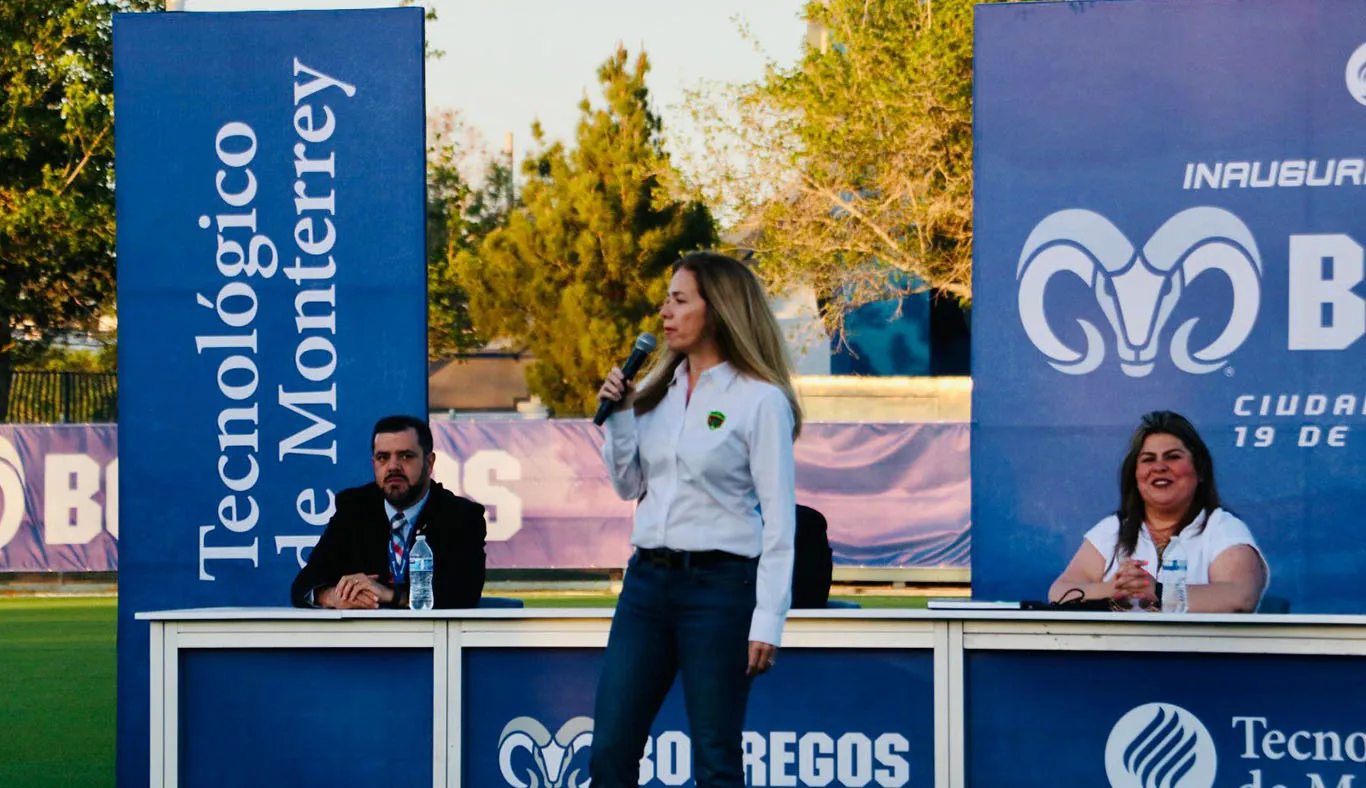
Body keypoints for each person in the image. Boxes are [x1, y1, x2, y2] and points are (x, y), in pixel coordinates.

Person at [591, 251, 801, 788]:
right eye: (666, 300)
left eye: (680, 300)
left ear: (718, 309)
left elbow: (780, 523)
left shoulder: (760, 400)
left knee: (714, 758)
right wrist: (620, 417)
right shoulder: (655, 392)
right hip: (645, 586)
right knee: (610, 751)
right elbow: (629, 487)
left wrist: (768, 620)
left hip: (720, 590)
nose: (665, 312)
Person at [1048, 410, 1268, 613]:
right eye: (1148, 459)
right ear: (1135, 476)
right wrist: (1115, 589)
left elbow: (1240, 597)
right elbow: (1059, 593)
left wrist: (1159, 592)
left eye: (1173, 456)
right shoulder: (1112, 529)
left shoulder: (1222, 528)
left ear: (1200, 470)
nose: (1159, 467)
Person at [290, 415, 486, 609]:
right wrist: (333, 596)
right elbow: (303, 585)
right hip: (366, 630)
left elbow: (464, 593)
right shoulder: (353, 509)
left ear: (429, 463)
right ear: (374, 463)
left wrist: (392, 595)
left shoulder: (461, 516)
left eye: (406, 456)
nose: (393, 467)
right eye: (382, 458)